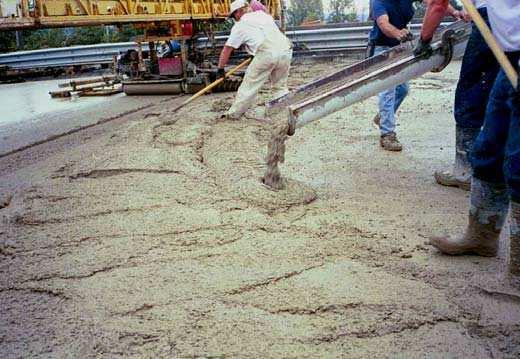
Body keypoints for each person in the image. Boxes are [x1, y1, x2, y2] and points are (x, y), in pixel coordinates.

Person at [424, 0, 520, 287]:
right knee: (490, 147)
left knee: (518, 162)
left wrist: (424, 40)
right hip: (511, 56)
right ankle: (482, 235)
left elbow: (436, 5)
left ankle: (518, 270)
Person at [368, 1, 463, 152]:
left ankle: (384, 116)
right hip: (382, 48)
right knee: (388, 90)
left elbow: (435, 2)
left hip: (399, 47)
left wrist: (455, 13)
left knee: (403, 90)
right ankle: (387, 134)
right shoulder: (378, 1)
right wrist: (398, 33)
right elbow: (383, 23)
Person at [434, 0, 499, 191]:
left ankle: (465, 170)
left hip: (491, 18)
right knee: (502, 90)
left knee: (471, 92)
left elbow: (436, 4)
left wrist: (424, 39)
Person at [216, 0, 292, 120]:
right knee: (280, 86)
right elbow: (264, 34)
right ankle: (283, 111)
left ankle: (233, 114)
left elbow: (227, 49)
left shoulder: (240, 25)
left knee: (249, 85)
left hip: (267, 53)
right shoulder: (263, 15)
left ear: (238, 12)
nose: (234, 19)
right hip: (285, 49)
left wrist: (220, 68)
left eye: (234, 16)